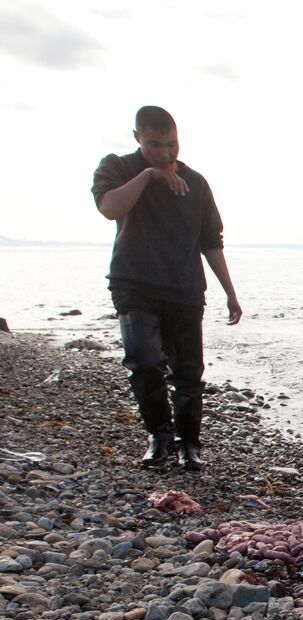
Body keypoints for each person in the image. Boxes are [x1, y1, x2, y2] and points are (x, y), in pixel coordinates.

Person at [92, 106, 242, 471]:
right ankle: (159, 436)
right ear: (137, 138)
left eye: (171, 144)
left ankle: (189, 444)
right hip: (134, 284)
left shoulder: (197, 183)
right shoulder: (118, 167)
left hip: (185, 289)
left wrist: (230, 293)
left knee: (189, 373)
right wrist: (149, 175)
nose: (165, 152)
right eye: (155, 145)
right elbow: (110, 208)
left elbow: (211, 240)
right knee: (143, 362)